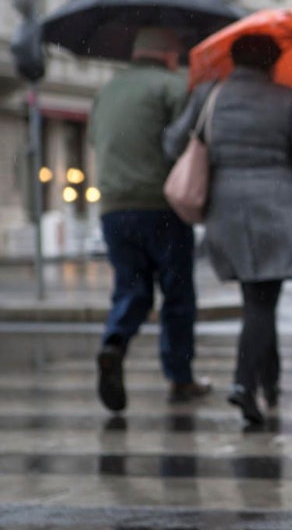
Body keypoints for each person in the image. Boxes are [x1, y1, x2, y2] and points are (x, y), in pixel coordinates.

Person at [163, 34, 292, 425]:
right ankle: (244, 383)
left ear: (234, 60)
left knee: (256, 299)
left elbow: (174, 142)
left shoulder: (210, 94)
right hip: (276, 205)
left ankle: (269, 383)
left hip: (225, 208)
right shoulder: (287, 98)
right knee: (263, 301)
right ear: (272, 63)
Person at [88, 27, 212, 413]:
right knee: (176, 294)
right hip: (161, 206)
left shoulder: (107, 90)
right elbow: (183, 142)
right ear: (169, 54)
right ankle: (179, 376)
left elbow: (96, 141)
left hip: (113, 207)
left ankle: (114, 343)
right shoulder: (173, 86)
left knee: (131, 288)